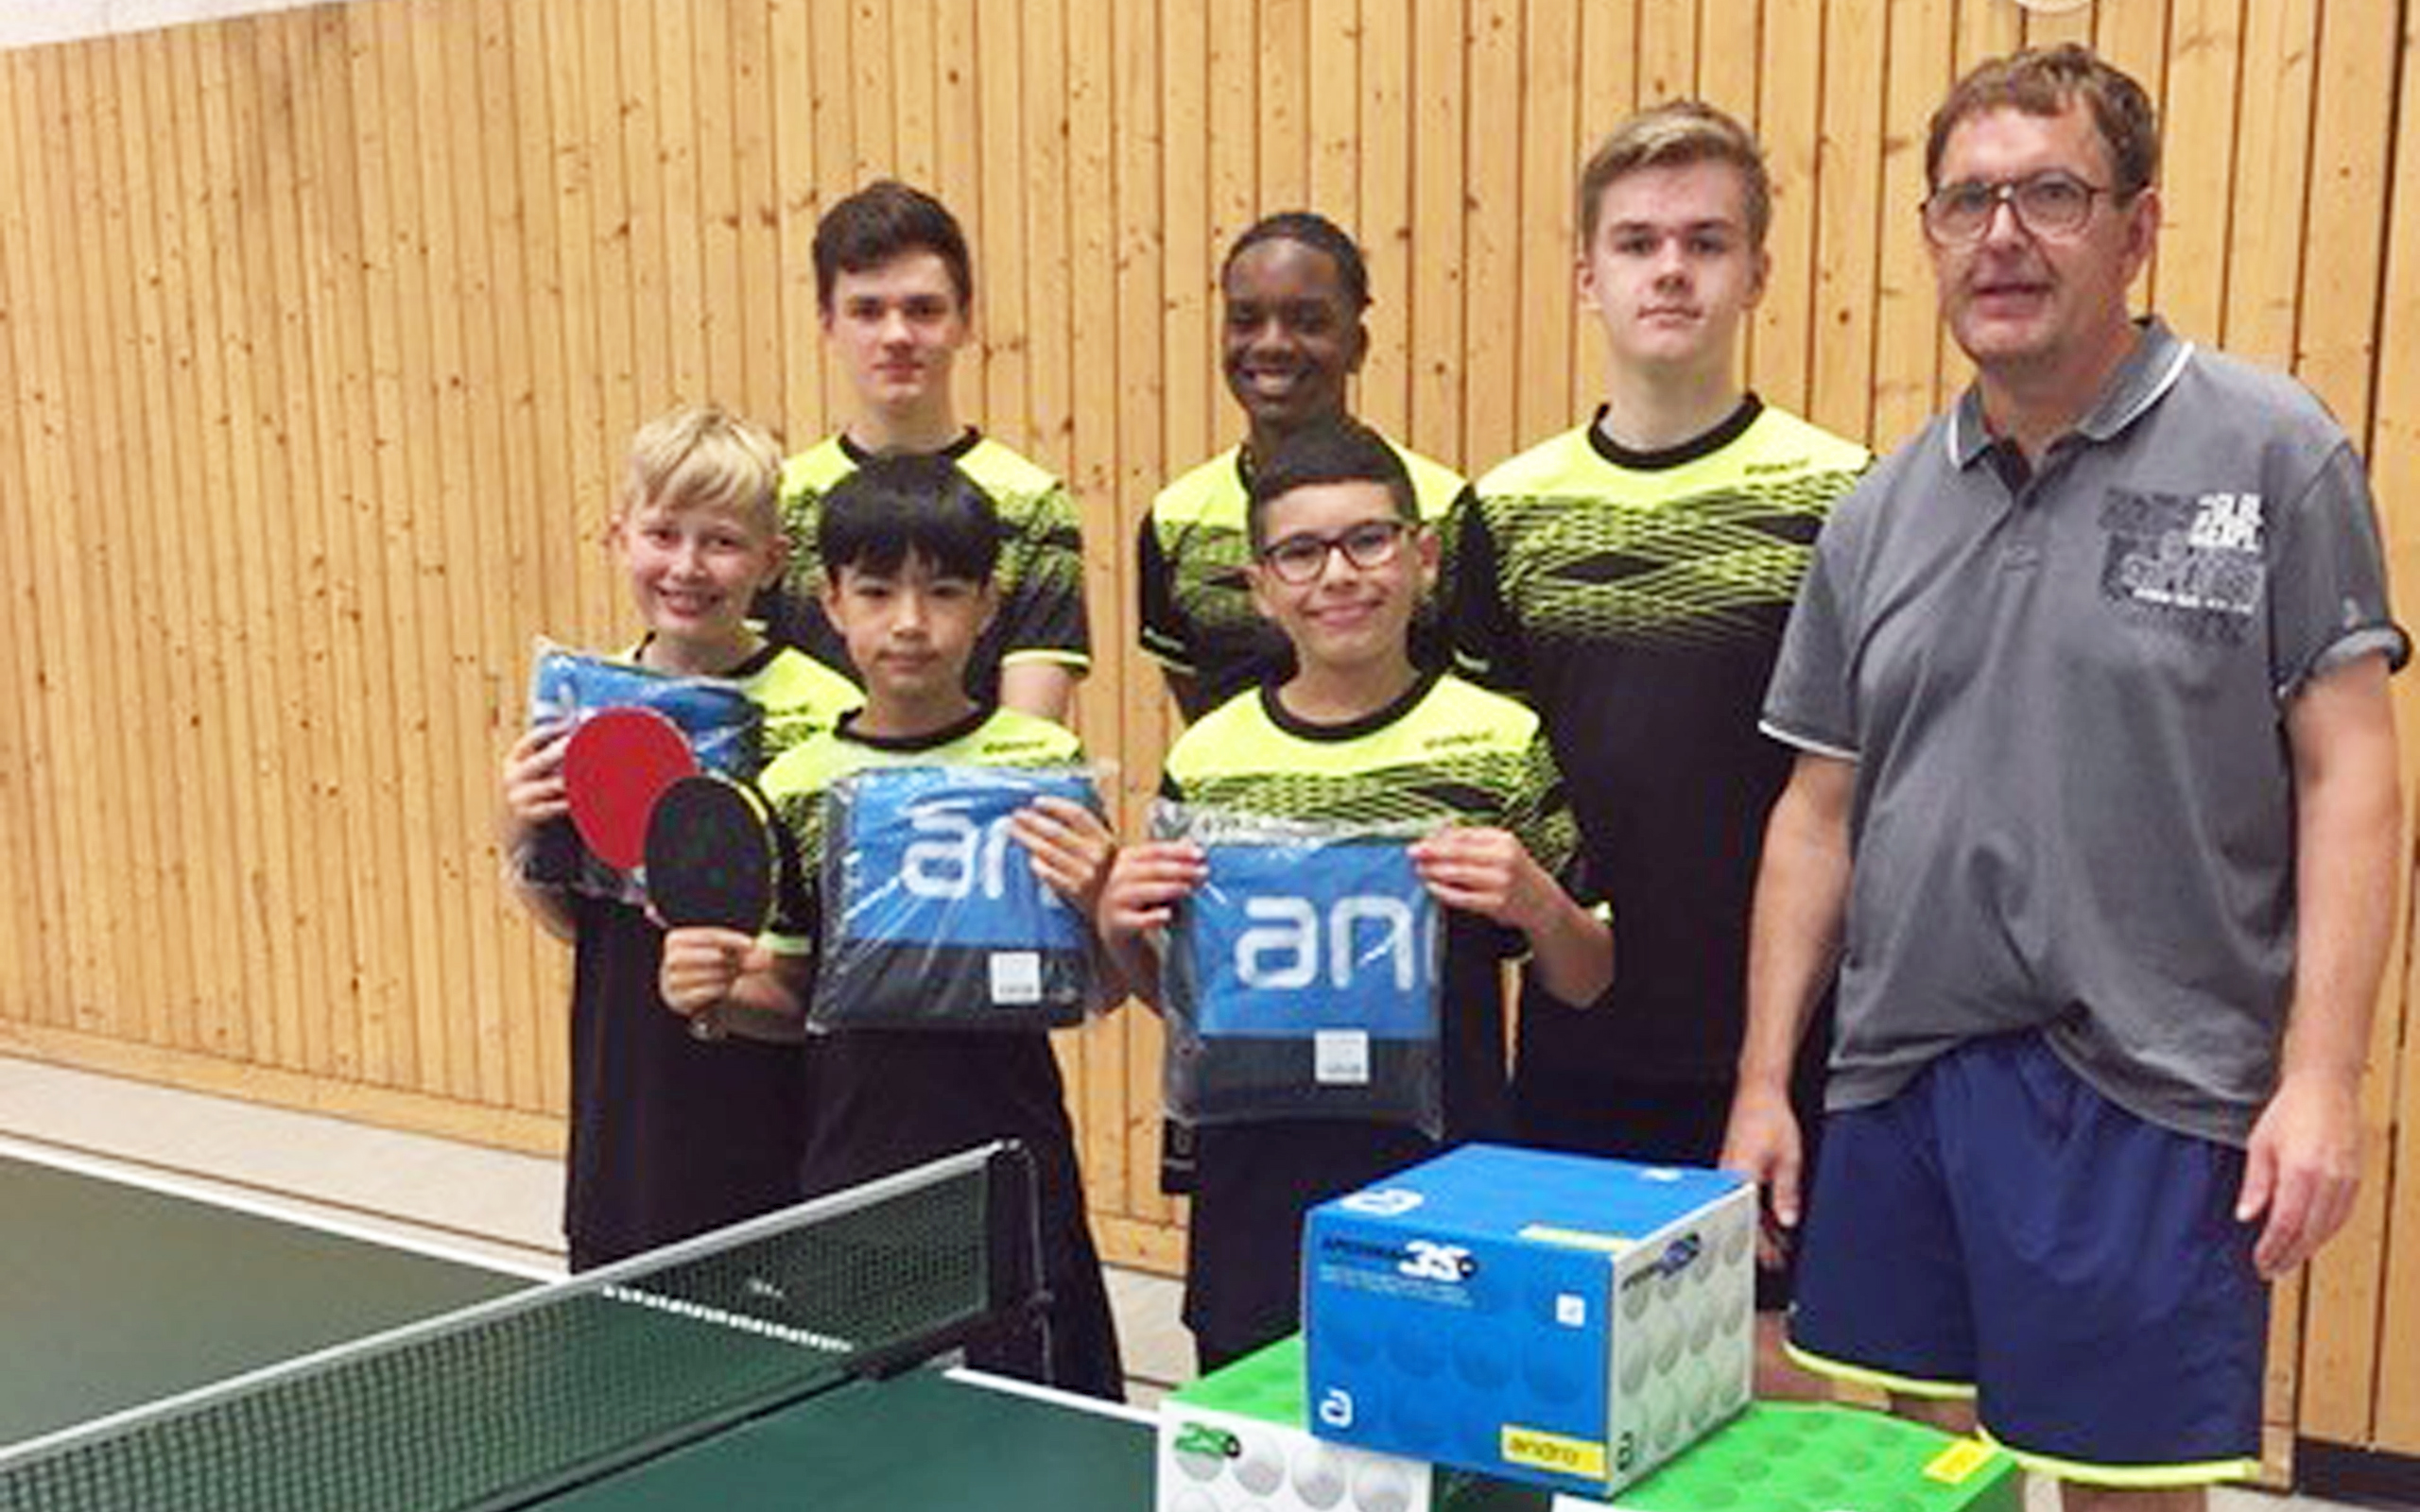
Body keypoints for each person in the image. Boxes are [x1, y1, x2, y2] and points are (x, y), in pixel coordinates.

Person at [1720, 45, 2403, 1509]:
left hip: (2152, 1088)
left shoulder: (2273, 453)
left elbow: (2353, 778)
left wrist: (2323, 1080)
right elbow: (1817, 818)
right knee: (1930, 1474)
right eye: (1966, 201)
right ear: (1930, 236)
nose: (2003, 236)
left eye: (2050, 195)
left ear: (2137, 228)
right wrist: (1766, 1081)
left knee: (2125, 1490)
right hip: (1905, 1080)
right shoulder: (1876, 514)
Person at [1458, 101, 1869, 1397]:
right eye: (1637, 243)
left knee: (1771, 1378)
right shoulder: (1506, 511)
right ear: (1588, 275)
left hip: (1785, 1040)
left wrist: (1777, 1058)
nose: (1672, 269)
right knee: (1582, 1381)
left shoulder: (1844, 495)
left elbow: (1856, 794)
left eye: (1706, 240)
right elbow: (1488, 783)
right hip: (1578, 1033)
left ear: (1758, 270)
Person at [1100, 420, 1612, 1372]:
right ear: (1261, 587)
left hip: (1446, 1192)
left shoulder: (1499, 739)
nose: (1337, 575)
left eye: (1368, 540)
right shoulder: (1208, 758)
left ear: (1423, 558)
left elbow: (1587, 978)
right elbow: (1189, 1009)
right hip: (1255, 1206)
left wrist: (1541, 904)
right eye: (1299, 553)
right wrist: (1118, 923)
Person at [658, 453, 1124, 1400]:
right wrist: (714, 997)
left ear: (988, 606)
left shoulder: (1042, 762)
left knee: (1041, 1425)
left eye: (943, 592)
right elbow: (794, 994)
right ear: (830, 602)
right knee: (878, 1427)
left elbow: (1103, 989)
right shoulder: (795, 782)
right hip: (854, 1174)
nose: (910, 622)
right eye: (876, 591)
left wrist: (1103, 899)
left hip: (1014, 1170)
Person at [498, 404, 861, 1271]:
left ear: (772, 559)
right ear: (618, 537)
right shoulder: (585, 705)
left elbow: (840, 958)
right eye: (663, 534)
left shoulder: (827, 710)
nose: (688, 567)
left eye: (722, 542)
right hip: (625, 1102)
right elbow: (578, 919)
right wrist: (516, 824)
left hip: (773, 1109)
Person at [762, 180, 1089, 722]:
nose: (896, 335)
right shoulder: (776, 503)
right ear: (827, 323)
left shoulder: (1035, 507)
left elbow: (1028, 741)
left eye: (923, 310)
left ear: (964, 321)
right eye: (867, 311)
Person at [1140, 212, 1470, 724]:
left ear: (1357, 347)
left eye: (1309, 322)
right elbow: (1201, 712)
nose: (1272, 343)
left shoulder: (1447, 511)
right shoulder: (1174, 522)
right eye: (1246, 320)